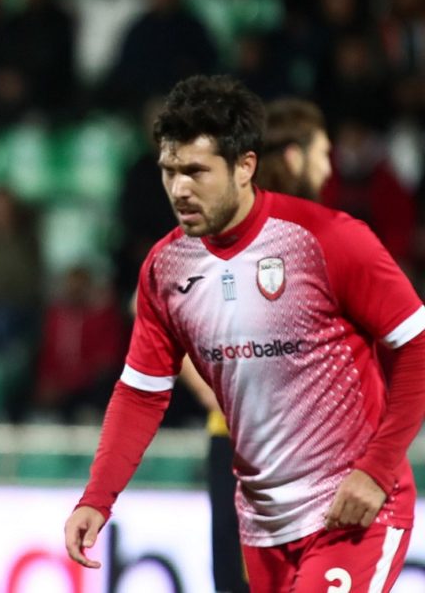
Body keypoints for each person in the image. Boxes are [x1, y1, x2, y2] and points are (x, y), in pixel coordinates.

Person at [64, 76, 425, 592]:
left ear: (245, 166)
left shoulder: (328, 239)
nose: (179, 189)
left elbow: (416, 344)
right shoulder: (166, 269)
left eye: (196, 171)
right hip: (263, 527)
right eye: (169, 171)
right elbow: (141, 394)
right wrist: (97, 499)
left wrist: (377, 468)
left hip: (354, 511)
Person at [179, 98, 331, 593]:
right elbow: (155, 314)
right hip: (238, 443)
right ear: (293, 157)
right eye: (322, 154)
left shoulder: (324, 234)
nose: (329, 169)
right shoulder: (224, 230)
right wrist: (213, 393)